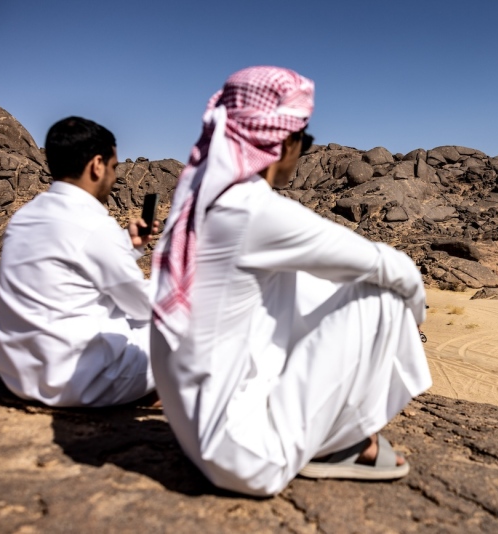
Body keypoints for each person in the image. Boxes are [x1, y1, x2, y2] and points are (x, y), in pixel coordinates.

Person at [150, 66, 432, 497]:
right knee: (385, 297)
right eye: (306, 140)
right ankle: (336, 442)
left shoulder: (201, 202)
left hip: (199, 435)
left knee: (307, 280)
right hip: (247, 454)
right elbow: (394, 267)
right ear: (283, 140)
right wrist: (415, 319)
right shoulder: (250, 209)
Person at [0, 117, 157, 407]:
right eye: (114, 166)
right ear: (96, 165)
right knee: (182, 325)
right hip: (79, 383)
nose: (116, 176)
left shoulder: (25, 217)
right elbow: (146, 308)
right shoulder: (93, 223)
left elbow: (73, 261)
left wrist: (127, 246)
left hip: (19, 377)